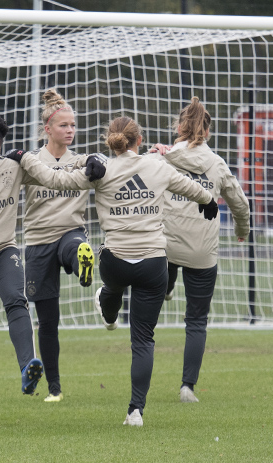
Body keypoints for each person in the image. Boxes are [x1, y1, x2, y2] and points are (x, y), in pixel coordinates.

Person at [0, 113, 104, 428]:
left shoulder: (13, 166)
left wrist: (91, 168)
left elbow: (56, 175)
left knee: (17, 299)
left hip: (3, 250)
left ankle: (29, 367)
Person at [83, 116, 216, 427]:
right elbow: (190, 187)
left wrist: (24, 161)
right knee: (143, 339)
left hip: (115, 260)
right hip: (153, 263)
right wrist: (210, 201)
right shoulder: (156, 166)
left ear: (110, 141)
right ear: (139, 140)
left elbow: (58, 179)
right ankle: (135, 412)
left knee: (112, 287)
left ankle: (108, 303)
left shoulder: (100, 169)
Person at [148, 97, 250, 403]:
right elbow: (241, 205)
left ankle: (165, 285)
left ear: (180, 127)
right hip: (202, 252)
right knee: (196, 320)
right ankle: (187, 387)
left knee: (147, 315)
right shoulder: (216, 164)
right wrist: (242, 231)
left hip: (164, 245)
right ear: (208, 131)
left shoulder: (160, 158)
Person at [22, 89, 99, 402]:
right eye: (64, 125)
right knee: (47, 322)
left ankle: (82, 260)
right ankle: (54, 389)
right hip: (38, 242)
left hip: (70, 231)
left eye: (73, 125)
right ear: (47, 130)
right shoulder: (28, 162)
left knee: (75, 244)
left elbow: (108, 167)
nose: (70, 130)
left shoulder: (83, 161)